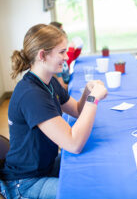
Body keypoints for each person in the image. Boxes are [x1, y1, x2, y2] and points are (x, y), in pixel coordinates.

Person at [0, 24, 107, 199]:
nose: (66, 57)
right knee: (88, 192)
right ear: (42, 55)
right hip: (27, 182)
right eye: (62, 52)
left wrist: (88, 91)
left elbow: (78, 110)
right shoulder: (31, 94)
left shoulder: (49, 81)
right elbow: (74, 144)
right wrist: (93, 99)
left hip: (44, 166)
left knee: (95, 167)